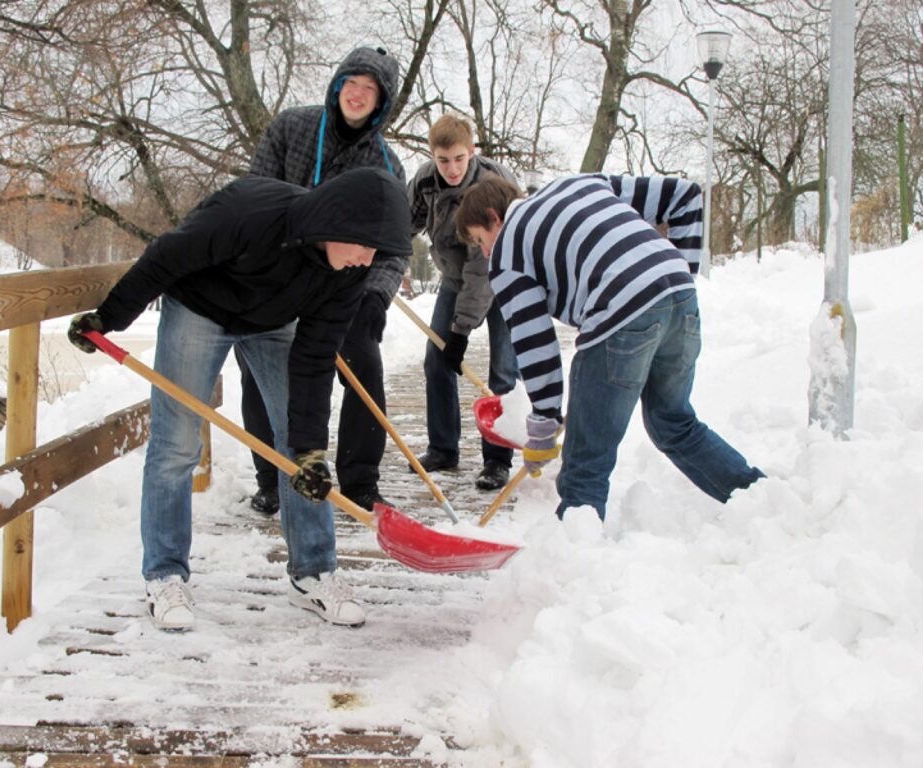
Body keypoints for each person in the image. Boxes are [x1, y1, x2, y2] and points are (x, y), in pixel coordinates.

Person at [67, 168, 412, 632]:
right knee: (177, 443)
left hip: (274, 320)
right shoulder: (250, 213)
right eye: (364, 245)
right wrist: (109, 318)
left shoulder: (349, 272)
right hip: (200, 308)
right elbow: (165, 258)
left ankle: (314, 571)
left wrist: (309, 448)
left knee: (300, 448)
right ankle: (165, 574)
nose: (366, 259)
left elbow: (314, 359)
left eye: (376, 251)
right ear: (338, 223)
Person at [454, 173, 764, 521]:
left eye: (481, 239)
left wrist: (543, 426)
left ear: (495, 217)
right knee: (673, 423)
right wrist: (682, 273)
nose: (485, 252)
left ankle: (573, 559)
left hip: (619, 309)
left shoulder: (508, 250)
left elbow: (535, 343)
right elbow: (686, 195)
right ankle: (764, 503)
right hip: (680, 296)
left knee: (587, 458)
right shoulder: (580, 184)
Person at [239, 46, 410, 516]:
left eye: (369, 89)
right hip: (276, 275)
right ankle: (272, 477)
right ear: (337, 86)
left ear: (382, 102)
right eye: (351, 83)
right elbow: (255, 197)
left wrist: (377, 295)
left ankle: (360, 481)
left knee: (364, 369)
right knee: (259, 373)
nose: (357, 94)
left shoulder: (387, 165)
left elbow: (393, 244)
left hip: (344, 285)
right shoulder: (292, 127)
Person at [406, 114, 519, 491]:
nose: (452, 169)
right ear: (432, 156)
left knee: (503, 371)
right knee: (436, 360)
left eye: (459, 158)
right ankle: (443, 447)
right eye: (443, 160)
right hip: (455, 279)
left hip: (504, 275)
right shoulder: (424, 181)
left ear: (472, 151)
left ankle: (498, 459)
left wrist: (461, 332)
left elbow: (482, 269)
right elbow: (402, 224)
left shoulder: (490, 187)